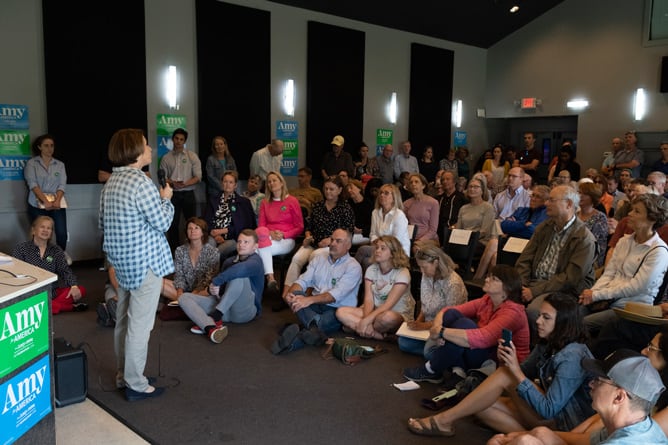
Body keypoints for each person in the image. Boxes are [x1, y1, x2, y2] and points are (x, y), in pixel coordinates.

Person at [407, 293, 595, 437]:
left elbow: (548, 408)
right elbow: (519, 375)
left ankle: (443, 420)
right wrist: (505, 360)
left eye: (546, 318)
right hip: (548, 415)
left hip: (565, 423)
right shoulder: (548, 342)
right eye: (540, 315)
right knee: (481, 404)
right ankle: (530, 439)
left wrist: (512, 370)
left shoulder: (572, 356)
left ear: (563, 323)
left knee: (502, 378)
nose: (538, 321)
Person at [489, 330, 668, 445]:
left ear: (619, 397)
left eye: (599, 380)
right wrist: (518, 436)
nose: (591, 383)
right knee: (540, 433)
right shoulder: (637, 424)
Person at [99, 128, 174, 401]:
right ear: (135, 152)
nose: (151, 148)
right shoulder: (141, 183)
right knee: (140, 327)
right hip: (145, 264)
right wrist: (166, 199)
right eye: (146, 144)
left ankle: (124, 375)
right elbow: (163, 222)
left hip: (123, 264)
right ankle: (136, 383)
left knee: (124, 323)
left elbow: (102, 226)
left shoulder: (111, 184)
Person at [403, 264, 530, 384]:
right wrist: (437, 330)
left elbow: (484, 338)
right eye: (488, 276)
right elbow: (447, 311)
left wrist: (442, 332)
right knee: (451, 315)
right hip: (482, 350)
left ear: (507, 288)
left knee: (463, 324)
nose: (486, 279)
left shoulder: (513, 312)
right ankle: (457, 370)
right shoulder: (488, 300)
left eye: (494, 279)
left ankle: (432, 369)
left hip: (499, 362)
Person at [579, 194, 668, 333]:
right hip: (608, 300)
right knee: (569, 316)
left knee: (584, 323)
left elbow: (636, 287)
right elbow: (609, 273)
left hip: (632, 308)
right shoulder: (624, 241)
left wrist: (597, 295)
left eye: (637, 211)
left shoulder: (659, 251)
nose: (629, 214)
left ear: (652, 219)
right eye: (632, 209)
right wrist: (593, 292)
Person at [516, 185, 597, 335]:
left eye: (552, 200)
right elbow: (524, 260)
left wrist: (533, 291)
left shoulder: (584, 238)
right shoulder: (544, 227)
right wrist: (522, 285)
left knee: (535, 312)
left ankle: (535, 353)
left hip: (563, 291)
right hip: (533, 283)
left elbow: (570, 279)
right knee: (497, 297)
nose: (546, 203)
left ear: (569, 204)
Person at [271, 228, 362, 354]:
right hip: (314, 305)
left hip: (335, 310)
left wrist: (307, 300)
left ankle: (297, 338)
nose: (333, 243)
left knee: (320, 320)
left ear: (348, 245)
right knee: (296, 295)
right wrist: (290, 294)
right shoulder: (320, 258)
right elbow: (303, 281)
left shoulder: (353, 267)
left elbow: (334, 296)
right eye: (332, 239)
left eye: (338, 241)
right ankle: (314, 330)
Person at [180, 229, 264, 343]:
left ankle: (215, 317)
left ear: (255, 246)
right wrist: (213, 290)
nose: (241, 245)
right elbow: (222, 287)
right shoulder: (229, 261)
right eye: (239, 241)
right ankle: (210, 327)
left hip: (244, 311)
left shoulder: (256, 261)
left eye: (246, 242)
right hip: (225, 310)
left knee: (238, 276)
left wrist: (215, 282)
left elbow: (239, 270)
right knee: (184, 297)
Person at [281, 176, 354, 298]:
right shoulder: (318, 206)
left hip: (333, 246)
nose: (328, 192)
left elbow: (348, 232)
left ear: (340, 190)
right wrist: (308, 236)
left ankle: (308, 293)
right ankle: (287, 294)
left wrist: (331, 241)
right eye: (326, 189)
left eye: (332, 189)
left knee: (315, 256)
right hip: (313, 242)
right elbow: (309, 227)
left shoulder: (345, 208)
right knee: (296, 259)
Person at [336, 235, 415, 339]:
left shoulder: (403, 273)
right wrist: (366, 320)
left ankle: (357, 328)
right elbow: (368, 299)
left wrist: (366, 321)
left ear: (392, 253)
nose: (377, 251)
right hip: (373, 312)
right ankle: (380, 336)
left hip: (396, 313)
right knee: (341, 312)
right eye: (377, 247)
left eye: (383, 248)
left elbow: (388, 304)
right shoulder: (371, 269)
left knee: (387, 318)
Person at [398, 245, 468, 356]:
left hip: (444, 328)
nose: (421, 271)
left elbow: (450, 317)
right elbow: (425, 305)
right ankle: (436, 352)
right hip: (428, 325)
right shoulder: (427, 275)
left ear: (436, 263)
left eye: (424, 267)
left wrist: (423, 326)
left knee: (427, 352)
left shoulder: (453, 283)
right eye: (420, 267)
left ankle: (439, 352)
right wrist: (418, 321)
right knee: (403, 343)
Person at [12, 215, 87, 314]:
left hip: (52, 292)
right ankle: (69, 307)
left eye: (49, 228)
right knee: (26, 302)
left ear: (51, 233)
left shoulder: (56, 250)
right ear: (34, 230)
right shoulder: (21, 248)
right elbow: (15, 273)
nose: (45, 230)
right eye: (42, 227)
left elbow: (64, 270)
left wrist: (73, 286)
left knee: (80, 290)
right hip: (30, 293)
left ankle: (42, 308)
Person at [473, 185, 550, 281]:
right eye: (532, 195)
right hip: (511, 242)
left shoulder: (546, 214)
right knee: (493, 247)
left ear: (546, 201)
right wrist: (524, 224)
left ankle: (484, 281)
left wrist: (516, 225)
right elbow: (504, 225)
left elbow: (533, 231)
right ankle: (481, 280)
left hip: (526, 246)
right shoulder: (522, 210)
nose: (533, 198)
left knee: (495, 252)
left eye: (537, 197)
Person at [255, 171, 304, 291]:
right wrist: (270, 233)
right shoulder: (265, 202)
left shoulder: (292, 201)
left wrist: (284, 234)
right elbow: (261, 226)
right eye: (269, 181)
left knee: (255, 251)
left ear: (281, 183)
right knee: (260, 241)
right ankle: (270, 278)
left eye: (274, 180)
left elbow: (300, 227)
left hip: (286, 239)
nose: (271, 183)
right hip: (268, 237)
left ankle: (263, 282)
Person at [23, 134, 69, 258]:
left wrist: (57, 200)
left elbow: (62, 185)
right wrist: (45, 201)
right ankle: (39, 258)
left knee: (61, 233)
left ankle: (60, 257)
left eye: (52, 146)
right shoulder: (32, 163)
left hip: (56, 203)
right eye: (46, 146)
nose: (50, 148)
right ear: (39, 147)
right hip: (37, 204)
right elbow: (32, 184)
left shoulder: (59, 164)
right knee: (40, 233)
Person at [158, 128, 202, 249]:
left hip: (189, 193)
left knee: (192, 223)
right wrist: (173, 183)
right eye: (176, 138)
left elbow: (198, 176)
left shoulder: (192, 156)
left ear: (184, 141)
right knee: (173, 224)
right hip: (173, 194)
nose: (178, 141)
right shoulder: (166, 158)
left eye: (181, 139)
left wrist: (186, 184)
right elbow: (163, 178)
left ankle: (192, 249)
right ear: (173, 139)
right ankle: (174, 251)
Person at [161, 217, 220, 304]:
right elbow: (179, 276)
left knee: (208, 290)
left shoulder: (213, 252)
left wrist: (193, 294)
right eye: (190, 228)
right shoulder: (180, 250)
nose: (193, 231)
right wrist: (180, 292)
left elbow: (208, 279)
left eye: (196, 228)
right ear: (186, 232)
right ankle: (184, 302)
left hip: (202, 291)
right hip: (185, 290)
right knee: (158, 283)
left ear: (202, 232)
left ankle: (184, 302)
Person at [354, 183, 410, 270]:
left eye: (386, 193)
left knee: (363, 249)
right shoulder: (375, 212)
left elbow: (396, 241)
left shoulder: (399, 215)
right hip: (379, 248)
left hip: (397, 252)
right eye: (381, 193)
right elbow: (372, 234)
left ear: (394, 197)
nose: (382, 195)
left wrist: (380, 242)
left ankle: (350, 273)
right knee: (366, 261)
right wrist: (377, 243)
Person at [204, 170, 256, 261]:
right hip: (213, 235)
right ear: (222, 183)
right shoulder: (213, 200)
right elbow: (206, 220)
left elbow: (243, 226)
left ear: (235, 185)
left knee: (216, 253)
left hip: (233, 238)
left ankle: (213, 274)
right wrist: (215, 234)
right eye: (225, 182)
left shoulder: (243, 202)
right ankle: (211, 273)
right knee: (207, 246)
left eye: (231, 182)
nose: (228, 184)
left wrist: (222, 231)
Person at [455, 176, 496, 256]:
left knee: (461, 249)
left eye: (476, 187)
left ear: (482, 190)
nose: (472, 189)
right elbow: (458, 229)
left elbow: (484, 232)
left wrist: (466, 238)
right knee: (445, 247)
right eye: (470, 186)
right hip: (463, 240)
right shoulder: (463, 208)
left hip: (480, 242)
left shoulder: (487, 207)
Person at [577, 182, 608, 269]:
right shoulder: (574, 215)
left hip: (591, 258)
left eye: (585, 194)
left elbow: (593, 243)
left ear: (592, 197)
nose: (580, 196)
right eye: (579, 192)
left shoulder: (600, 217)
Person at [403, 173, 440, 246]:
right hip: (411, 237)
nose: (413, 184)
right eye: (411, 182)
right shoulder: (406, 203)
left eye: (416, 182)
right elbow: (404, 224)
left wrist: (420, 240)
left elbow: (433, 230)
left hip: (429, 238)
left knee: (417, 248)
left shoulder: (433, 203)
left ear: (423, 185)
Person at [437, 170, 468, 244]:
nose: (444, 182)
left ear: (454, 181)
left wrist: (456, 226)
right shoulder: (438, 199)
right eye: (443, 180)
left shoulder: (462, 198)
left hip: (455, 232)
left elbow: (465, 218)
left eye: (447, 179)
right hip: (438, 231)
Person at [346, 180, 373, 246]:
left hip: (364, 233)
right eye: (348, 189)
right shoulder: (347, 203)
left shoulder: (368, 204)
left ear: (359, 189)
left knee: (345, 240)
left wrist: (361, 230)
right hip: (350, 232)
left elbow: (372, 223)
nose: (349, 190)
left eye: (351, 188)